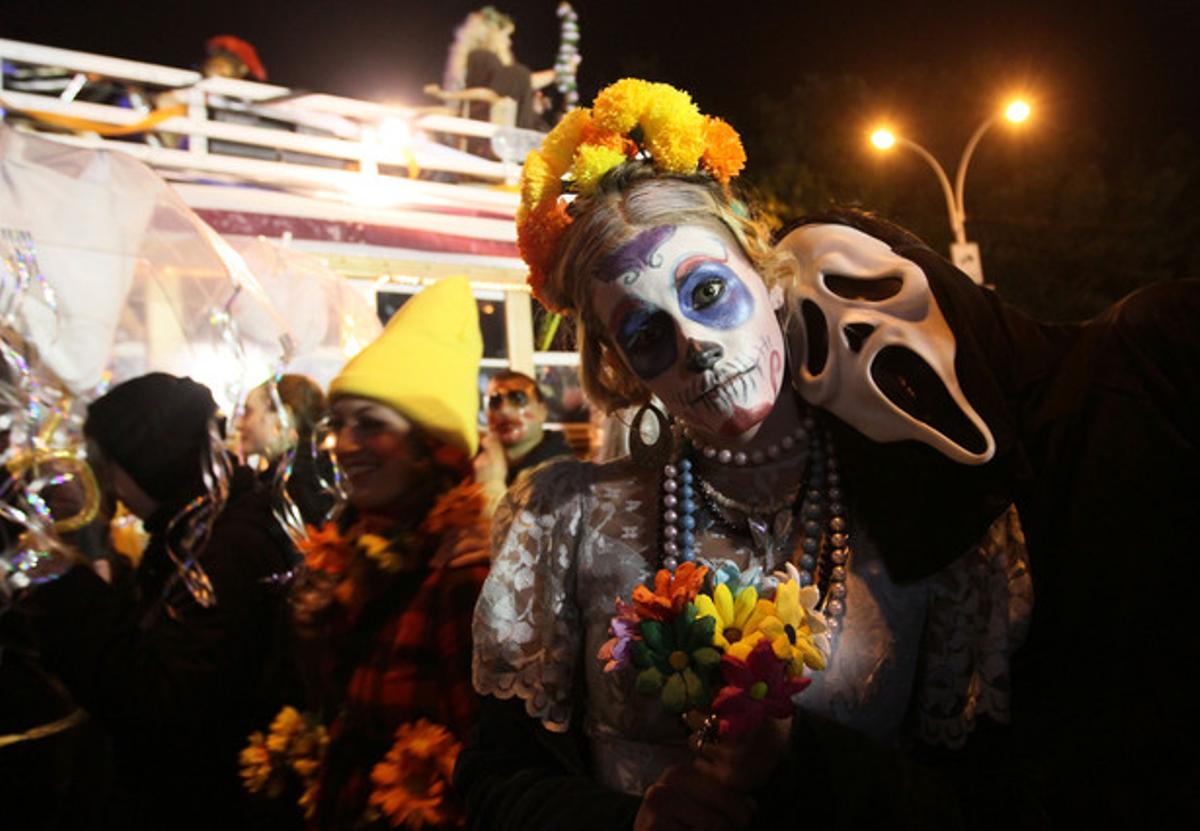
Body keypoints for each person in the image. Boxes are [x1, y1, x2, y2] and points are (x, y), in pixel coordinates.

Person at [463, 80, 1026, 829]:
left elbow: (986, 796)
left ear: (765, 279)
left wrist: (806, 763)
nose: (693, 346)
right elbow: (494, 782)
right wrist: (629, 822)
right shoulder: (564, 520)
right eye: (646, 334)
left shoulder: (914, 500)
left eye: (706, 292)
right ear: (624, 371)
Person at [12, 372, 294, 830]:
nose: (108, 489)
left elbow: (160, 704)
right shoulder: (201, 530)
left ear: (145, 463)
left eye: (105, 466)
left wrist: (59, 574)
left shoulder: (225, 550)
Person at [282, 276, 497, 829]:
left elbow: (488, 771)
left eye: (371, 425)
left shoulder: (464, 570)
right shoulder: (351, 551)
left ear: (431, 445)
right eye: (338, 425)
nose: (343, 444)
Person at [438, 6, 572, 131]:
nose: (509, 42)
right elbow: (515, 81)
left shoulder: (487, 64)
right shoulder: (482, 59)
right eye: (506, 36)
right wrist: (559, 72)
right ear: (492, 33)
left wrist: (531, 104)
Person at [237, 373, 332, 527]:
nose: (238, 424)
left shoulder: (292, 486)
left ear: (282, 419)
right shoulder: (315, 473)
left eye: (248, 412)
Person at [482, 369, 572, 485]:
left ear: (542, 411)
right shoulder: (473, 462)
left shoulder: (564, 470)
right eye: (495, 402)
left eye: (518, 399)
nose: (504, 410)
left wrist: (492, 482)